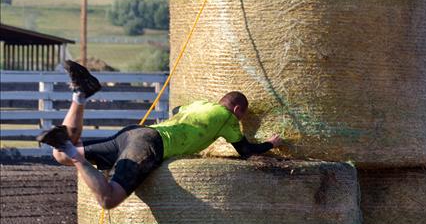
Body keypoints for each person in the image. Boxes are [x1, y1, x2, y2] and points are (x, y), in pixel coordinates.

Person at [37, 60, 282, 210]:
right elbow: (246, 151)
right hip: (149, 144)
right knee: (108, 199)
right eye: (242, 116)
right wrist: (270, 144)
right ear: (238, 110)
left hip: (135, 133)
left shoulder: (198, 105)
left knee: (59, 154)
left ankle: (80, 94)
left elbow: (176, 110)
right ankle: (75, 154)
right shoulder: (228, 118)